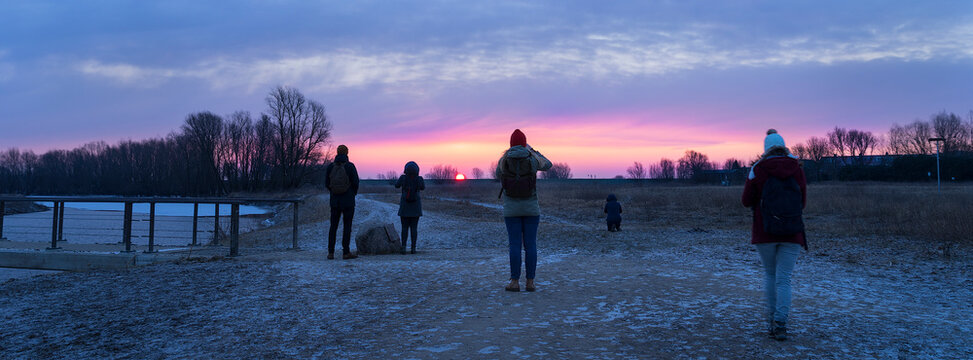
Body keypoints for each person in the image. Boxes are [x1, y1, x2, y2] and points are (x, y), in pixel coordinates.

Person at [742, 129, 807, 341]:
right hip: (792, 232)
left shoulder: (758, 168)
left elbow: (745, 200)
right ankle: (781, 324)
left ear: (765, 148)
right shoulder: (796, 168)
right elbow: (802, 202)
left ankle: (771, 322)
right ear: (784, 145)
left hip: (765, 231)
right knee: (784, 280)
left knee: (770, 275)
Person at [495, 129, 552, 292]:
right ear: (524, 142)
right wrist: (532, 151)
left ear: (510, 143)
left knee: (514, 245)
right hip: (531, 209)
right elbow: (548, 164)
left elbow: (497, 173)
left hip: (511, 210)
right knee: (530, 245)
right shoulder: (532, 158)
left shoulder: (504, 159)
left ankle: (514, 282)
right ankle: (530, 282)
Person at [325, 144, 360, 260]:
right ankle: (346, 252)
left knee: (333, 226)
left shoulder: (330, 167)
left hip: (335, 201)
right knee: (347, 226)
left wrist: (334, 192)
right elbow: (355, 183)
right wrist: (351, 193)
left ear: (337, 153)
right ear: (346, 153)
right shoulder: (350, 166)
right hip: (348, 201)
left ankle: (331, 253)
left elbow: (326, 184)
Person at [394, 161, 425, 254]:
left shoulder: (403, 178)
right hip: (416, 207)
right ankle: (413, 248)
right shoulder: (419, 179)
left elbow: (396, 185)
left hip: (405, 206)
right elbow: (423, 187)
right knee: (414, 228)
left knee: (404, 228)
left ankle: (403, 247)